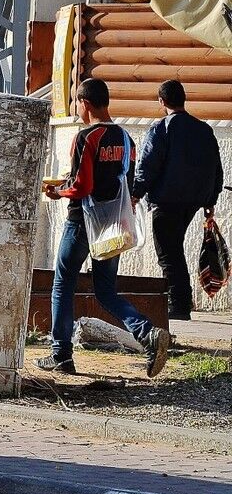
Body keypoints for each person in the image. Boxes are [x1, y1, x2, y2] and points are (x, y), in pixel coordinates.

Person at [39, 78, 170, 378]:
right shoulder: (126, 139)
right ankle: (147, 332)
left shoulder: (87, 137)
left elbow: (83, 185)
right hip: (114, 224)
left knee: (63, 283)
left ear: (85, 103)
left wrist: (58, 191)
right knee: (106, 291)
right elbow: (125, 182)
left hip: (82, 221)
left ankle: (61, 354)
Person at [132, 80, 223, 321]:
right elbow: (216, 167)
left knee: (168, 253)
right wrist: (210, 200)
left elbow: (148, 165)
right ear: (183, 99)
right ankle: (180, 300)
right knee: (174, 248)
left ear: (162, 101)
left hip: (166, 200)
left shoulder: (162, 129)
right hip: (193, 201)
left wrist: (136, 193)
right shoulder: (204, 129)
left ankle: (180, 304)